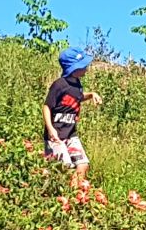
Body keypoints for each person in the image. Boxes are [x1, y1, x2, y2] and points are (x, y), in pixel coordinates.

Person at [43, 46, 102, 188]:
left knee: (83, 165)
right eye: (83, 66)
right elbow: (46, 107)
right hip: (56, 136)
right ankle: (57, 193)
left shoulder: (77, 84)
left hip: (71, 134)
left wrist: (92, 94)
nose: (86, 68)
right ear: (73, 68)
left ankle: (74, 194)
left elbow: (78, 97)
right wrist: (51, 129)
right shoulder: (59, 85)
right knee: (65, 167)